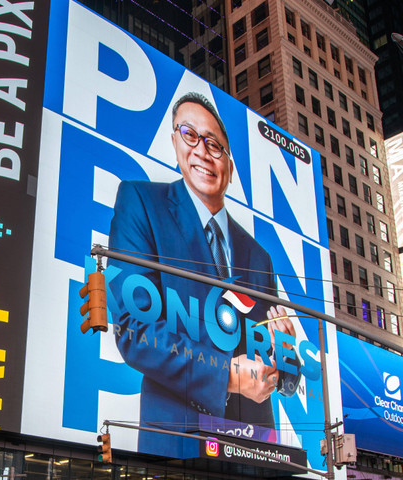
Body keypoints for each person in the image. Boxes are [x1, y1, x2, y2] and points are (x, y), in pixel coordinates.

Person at [108, 92, 301, 458]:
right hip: (178, 447)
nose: (201, 151)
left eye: (214, 144)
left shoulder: (260, 257)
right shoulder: (141, 203)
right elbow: (134, 330)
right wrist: (227, 376)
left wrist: (285, 357)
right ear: (174, 143)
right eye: (189, 135)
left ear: (228, 165)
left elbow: (287, 382)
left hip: (253, 450)